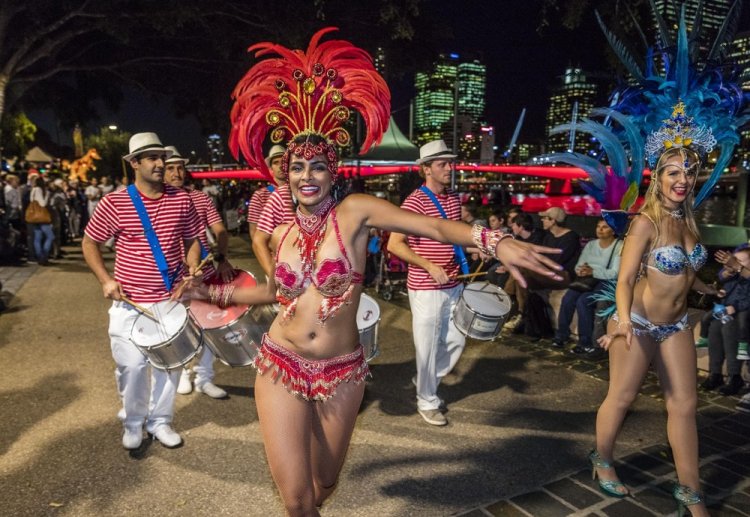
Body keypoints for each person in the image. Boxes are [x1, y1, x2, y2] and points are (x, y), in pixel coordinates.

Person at [194, 28, 562, 515]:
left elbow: (430, 224)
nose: (306, 176)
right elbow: (273, 294)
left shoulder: (356, 212)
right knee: (297, 501)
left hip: (343, 372)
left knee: (325, 481)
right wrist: (211, 295)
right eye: (297, 166)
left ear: (334, 171)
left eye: (317, 167)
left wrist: (494, 239)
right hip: (280, 364)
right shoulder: (281, 230)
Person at [593, 142, 718, 515]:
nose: (683, 180)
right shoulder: (645, 222)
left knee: (685, 405)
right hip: (639, 321)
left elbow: (683, 271)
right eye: (673, 172)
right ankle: (601, 459)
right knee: (622, 396)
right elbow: (626, 278)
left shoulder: (688, 219)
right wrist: (625, 320)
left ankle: (690, 492)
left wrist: (705, 287)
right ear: (658, 178)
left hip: (676, 324)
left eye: (689, 173)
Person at [82, 132, 202, 450]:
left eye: (162, 157)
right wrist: (105, 280)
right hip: (130, 304)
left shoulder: (182, 199)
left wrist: (192, 270)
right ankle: (133, 422)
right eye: (152, 158)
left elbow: (192, 239)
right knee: (132, 367)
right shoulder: (115, 202)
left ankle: (160, 421)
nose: (161, 164)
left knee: (170, 366)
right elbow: (90, 242)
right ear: (134, 163)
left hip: (170, 300)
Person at [388, 140, 472, 426]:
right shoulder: (413, 202)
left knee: (457, 339)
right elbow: (395, 244)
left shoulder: (453, 198)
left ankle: (426, 379)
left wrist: (474, 246)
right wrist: (429, 265)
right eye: (443, 164)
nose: (450, 168)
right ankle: (426, 399)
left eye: (451, 162)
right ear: (426, 169)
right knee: (427, 346)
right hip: (426, 286)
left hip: (454, 283)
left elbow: (454, 236)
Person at [163, 146, 233, 399]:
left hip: (202, 270)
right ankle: (183, 372)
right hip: (171, 275)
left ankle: (204, 377)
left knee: (209, 323)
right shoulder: (157, 201)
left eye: (180, 167)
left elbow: (220, 230)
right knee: (179, 327)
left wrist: (222, 258)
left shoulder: (200, 198)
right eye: (170, 168)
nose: (176, 172)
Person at [553, 219, 622, 354]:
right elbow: (579, 265)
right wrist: (581, 270)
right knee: (568, 298)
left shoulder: (619, 246)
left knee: (583, 301)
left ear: (613, 231)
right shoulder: (591, 245)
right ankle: (562, 335)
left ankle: (585, 342)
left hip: (605, 282)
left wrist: (594, 271)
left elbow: (615, 273)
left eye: (605, 227)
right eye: (598, 226)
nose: (600, 229)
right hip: (587, 280)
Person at [699, 247, 750, 396]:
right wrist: (729, 270)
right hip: (732, 310)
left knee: (729, 327)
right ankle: (715, 374)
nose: (736, 262)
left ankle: (735, 377)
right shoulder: (742, 252)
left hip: (745, 314)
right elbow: (722, 275)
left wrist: (738, 266)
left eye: (740, 261)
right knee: (715, 327)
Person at [250, 144, 294, 278]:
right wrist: (269, 265)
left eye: (284, 162)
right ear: (271, 168)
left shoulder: (300, 192)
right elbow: (255, 234)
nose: (280, 166)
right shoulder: (260, 196)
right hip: (276, 263)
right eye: (276, 162)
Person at [29, 176, 55, 266]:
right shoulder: (39, 190)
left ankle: (40, 257)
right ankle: (43, 256)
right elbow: (43, 203)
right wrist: (47, 194)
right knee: (50, 236)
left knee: (37, 237)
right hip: (42, 217)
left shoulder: (33, 190)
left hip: (34, 217)